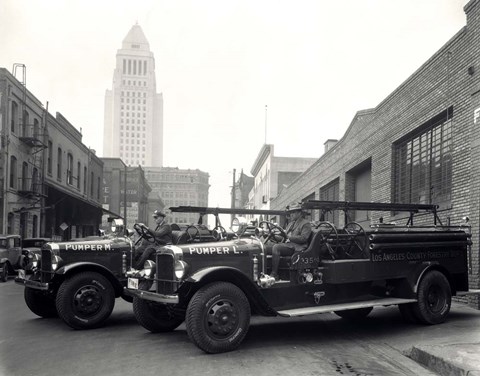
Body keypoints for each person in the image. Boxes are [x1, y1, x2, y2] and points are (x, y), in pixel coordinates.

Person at [270, 202, 312, 280]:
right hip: (289, 245)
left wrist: (290, 238)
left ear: (299, 213)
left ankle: (274, 274)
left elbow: (304, 238)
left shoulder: (305, 223)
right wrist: (272, 236)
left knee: (276, 247)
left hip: (298, 247)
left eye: (293, 212)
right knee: (267, 247)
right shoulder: (290, 224)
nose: (291, 214)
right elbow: (284, 236)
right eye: (290, 212)